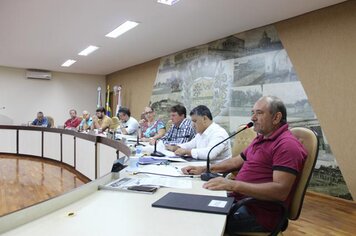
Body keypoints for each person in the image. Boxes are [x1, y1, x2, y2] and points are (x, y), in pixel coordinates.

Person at [181, 96, 307, 234]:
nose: (253, 118)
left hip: (258, 213)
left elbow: (280, 191)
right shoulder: (261, 138)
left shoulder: (287, 145)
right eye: (252, 112)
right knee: (193, 206)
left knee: (198, 222)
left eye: (259, 113)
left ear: (276, 117)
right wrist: (205, 168)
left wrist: (233, 185)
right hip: (240, 200)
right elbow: (236, 161)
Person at [167, 105, 231, 161]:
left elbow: (210, 153)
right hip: (203, 167)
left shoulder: (219, 132)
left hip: (218, 171)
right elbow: (190, 144)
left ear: (204, 119)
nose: (193, 125)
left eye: (195, 121)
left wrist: (187, 152)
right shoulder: (201, 133)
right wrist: (177, 147)